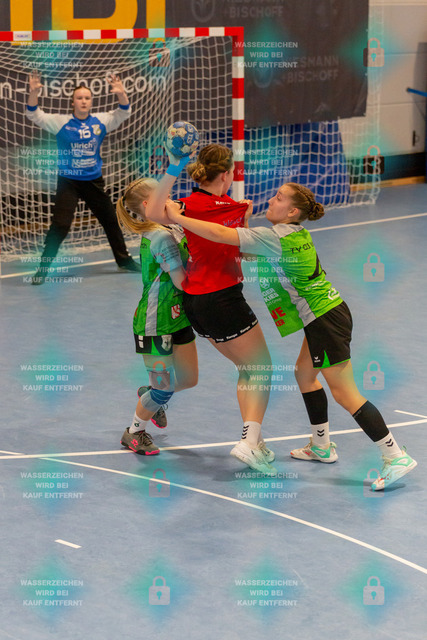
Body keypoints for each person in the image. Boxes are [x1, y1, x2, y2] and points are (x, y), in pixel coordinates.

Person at [164, 182, 417, 491]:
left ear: (292, 211)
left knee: (345, 394)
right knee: (304, 375)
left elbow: (219, 234)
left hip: (324, 320)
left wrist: (178, 218)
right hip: (327, 314)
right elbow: (247, 251)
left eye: (279, 198)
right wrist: (240, 223)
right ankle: (321, 446)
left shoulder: (275, 237)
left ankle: (394, 455)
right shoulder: (293, 234)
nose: (272, 200)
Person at [146, 145, 276, 475]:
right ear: (226, 175)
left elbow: (153, 212)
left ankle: (254, 440)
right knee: (261, 369)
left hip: (196, 304)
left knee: (248, 369)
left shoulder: (190, 206)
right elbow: (242, 246)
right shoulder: (225, 207)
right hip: (224, 300)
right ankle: (248, 443)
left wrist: (173, 167)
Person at [26, 70, 140, 284]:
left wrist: (121, 93)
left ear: (91, 101)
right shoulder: (60, 122)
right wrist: (33, 92)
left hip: (93, 181)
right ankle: (43, 269)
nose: (84, 101)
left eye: (87, 98)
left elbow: (124, 112)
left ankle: (124, 261)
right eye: (79, 98)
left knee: (111, 220)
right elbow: (34, 114)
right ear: (73, 102)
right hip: (68, 181)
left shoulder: (100, 121)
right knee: (60, 225)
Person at [116, 177, 198, 454]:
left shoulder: (172, 226)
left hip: (179, 317)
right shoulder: (160, 237)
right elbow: (181, 283)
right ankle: (134, 432)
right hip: (154, 324)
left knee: (188, 379)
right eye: (167, 196)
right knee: (163, 389)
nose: (172, 200)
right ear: (148, 204)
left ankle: (150, 394)